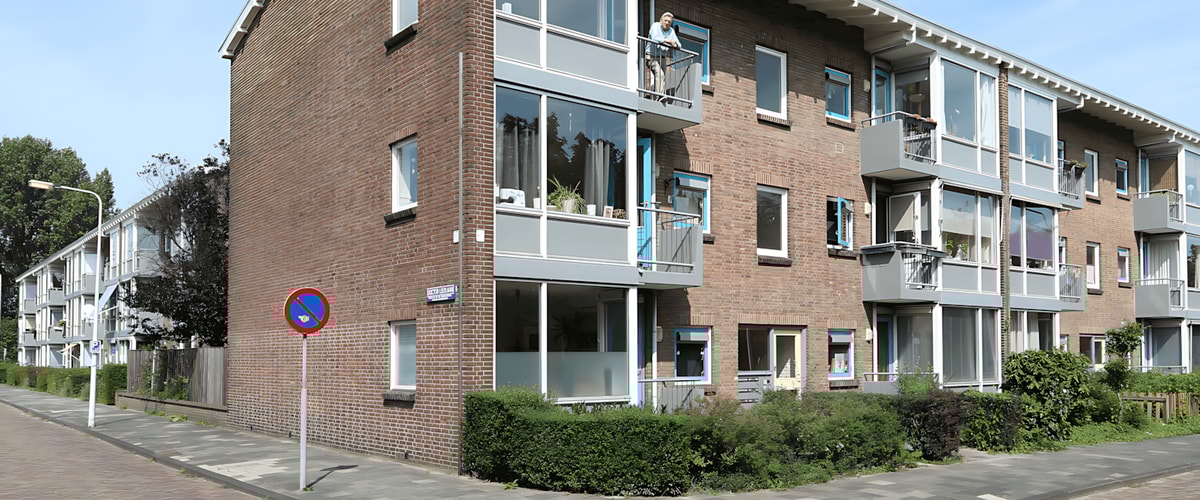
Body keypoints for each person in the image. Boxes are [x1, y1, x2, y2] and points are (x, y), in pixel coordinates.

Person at [645, 12, 679, 99]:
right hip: (651, 56)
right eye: (665, 21)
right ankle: (659, 96)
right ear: (661, 21)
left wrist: (675, 45)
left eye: (669, 22)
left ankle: (659, 96)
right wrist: (669, 41)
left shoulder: (671, 31)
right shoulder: (655, 26)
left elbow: (678, 44)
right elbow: (655, 38)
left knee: (662, 76)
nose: (667, 23)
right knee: (659, 74)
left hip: (662, 57)